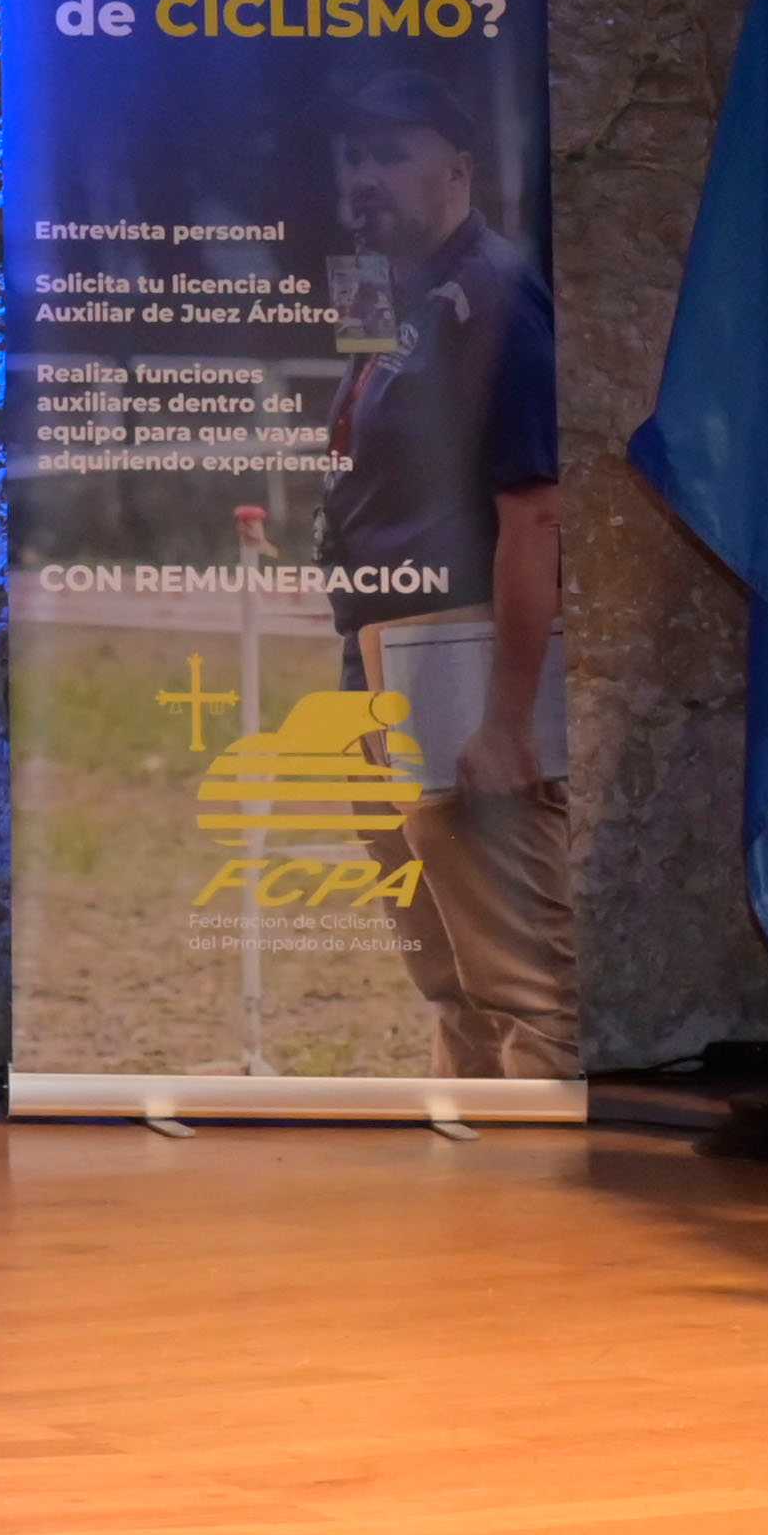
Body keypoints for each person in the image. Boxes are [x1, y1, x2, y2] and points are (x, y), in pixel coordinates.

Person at [321, 65, 573, 1080]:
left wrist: (506, 715)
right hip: (375, 654)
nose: (361, 175)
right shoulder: (385, 290)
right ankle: (467, 1187)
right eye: (349, 155)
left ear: (458, 167)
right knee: (441, 968)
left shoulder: (498, 297)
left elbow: (535, 511)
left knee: (520, 977)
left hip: (456, 656)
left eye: (388, 151)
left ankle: (542, 1213)